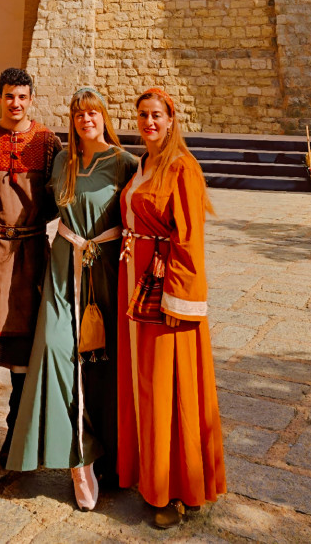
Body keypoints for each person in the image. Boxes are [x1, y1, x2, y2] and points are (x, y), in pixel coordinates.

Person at [7, 87, 138, 511]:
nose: (86, 120)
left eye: (93, 112)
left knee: (103, 363)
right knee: (54, 350)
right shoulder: (63, 160)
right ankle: (77, 458)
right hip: (64, 268)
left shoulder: (124, 163)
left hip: (105, 270)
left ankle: (113, 458)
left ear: (104, 117)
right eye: (79, 114)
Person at [117, 87, 226, 529]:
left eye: (156, 115)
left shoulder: (183, 168)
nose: (149, 123)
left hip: (164, 295)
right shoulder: (142, 164)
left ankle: (175, 488)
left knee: (170, 388)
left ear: (171, 118)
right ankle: (153, 476)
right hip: (135, 285)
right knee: (146, 387)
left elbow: (189, 242)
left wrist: (178, 304)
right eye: (143, 115)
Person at [0, 67, 62, 469]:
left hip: (30, 260)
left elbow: (60, 198)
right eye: (9, 95)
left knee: (25, 364)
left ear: (31, 98)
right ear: (0, 96)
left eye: (23, 96)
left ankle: (17, 447)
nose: (16, 103)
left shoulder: (48, 142)